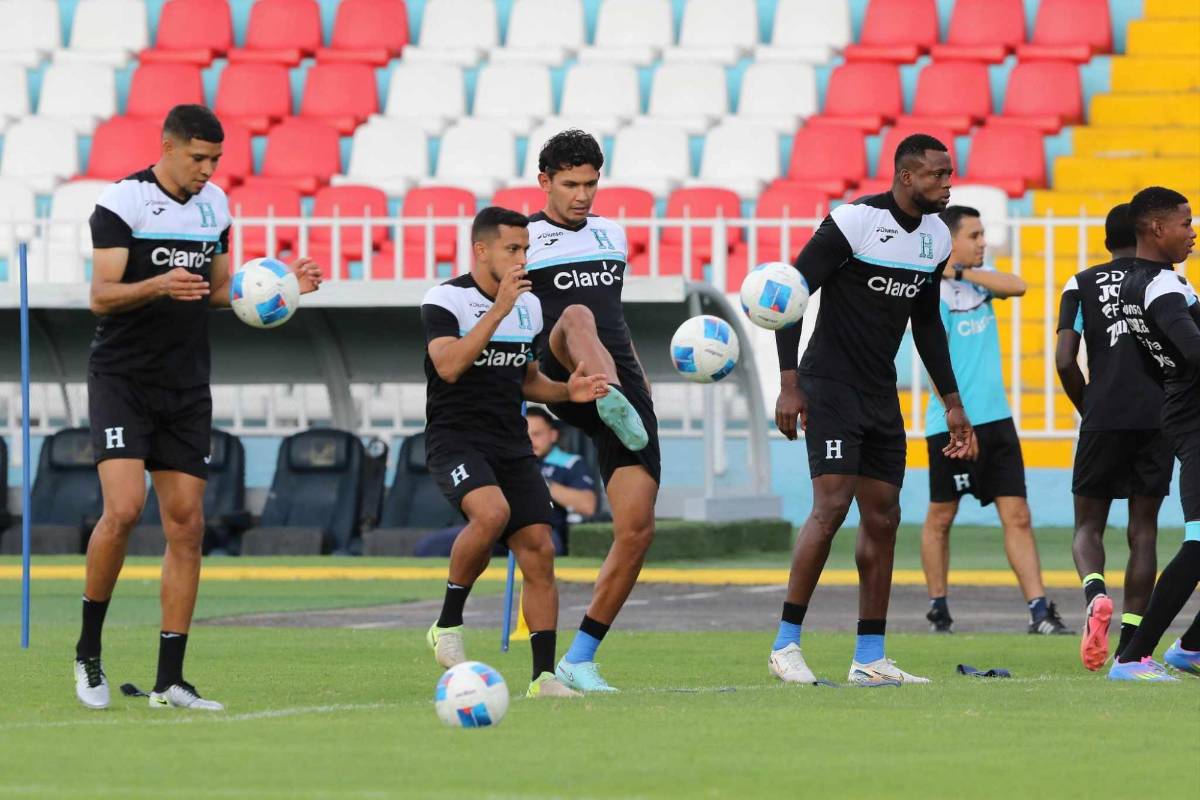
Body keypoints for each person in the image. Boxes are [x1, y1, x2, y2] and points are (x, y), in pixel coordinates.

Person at [74, 105, 323, 711]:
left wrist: (284, 285)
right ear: (168, 146)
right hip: (123, 379)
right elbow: (101, 296)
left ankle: (170, 681)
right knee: (126, 509)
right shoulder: (122, 203)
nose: (208, 170)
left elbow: (219, 292)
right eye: (198, 159)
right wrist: (158, 284)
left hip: (186, 386)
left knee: (188, 526)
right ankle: (87, 654)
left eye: (216, 160)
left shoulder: (216, 209)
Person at [770, 134, 973, 686]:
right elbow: (790, 294)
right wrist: (790, 383)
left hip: (880, 392)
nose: (947, 183)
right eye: (937, 175)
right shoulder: (854, 222)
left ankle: (870, 657)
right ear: (906, 177)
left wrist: (953, 402)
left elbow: (927, 322)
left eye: (948, 173)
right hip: (828, 385)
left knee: (884, 517)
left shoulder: (935, 236)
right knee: (831, 507)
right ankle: (786, 643)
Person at [422, 206, 609, 699]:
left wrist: (570, 392)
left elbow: (527, 381)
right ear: (482, 250)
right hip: (455, 439)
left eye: (526, 249)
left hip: (510, 443)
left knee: (540, 551)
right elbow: (449, 367)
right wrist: (497, 310)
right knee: (491, 513)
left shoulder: (528, 306)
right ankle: (447, 626)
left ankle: (543, 678)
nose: (522, 258)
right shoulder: (446, 299)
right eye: (512, 249)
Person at [525, 130, 661, 693]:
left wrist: (642, 389)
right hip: (561, 369)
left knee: (636, 530)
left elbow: (618, 320)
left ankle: (579, 659)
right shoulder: (523, 237)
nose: (582, 195)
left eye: (591, 183)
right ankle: (611, 397)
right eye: (570, 184)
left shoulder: (613, 235)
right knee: (576, 314)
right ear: (545, 182)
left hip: (621, 381)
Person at [921, 206, 1066, 636]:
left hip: (997, 420)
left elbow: (1018, 286)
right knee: (941, 517)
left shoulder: (978, 282)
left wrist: (961, 274)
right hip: (951, 422)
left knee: (1017, 514)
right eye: (975, 235)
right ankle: (938, 607)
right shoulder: (928, 293)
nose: (984, 242)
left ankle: (1039, 611)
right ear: (952, 242)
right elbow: (933, 365)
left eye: (984, 234)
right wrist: (956, 421)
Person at [1055, 202, 1171, 670]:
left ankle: (1095, 593)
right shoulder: (1165, 282)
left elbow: (1065, 360)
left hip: (1103, 415)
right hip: (1157, 416)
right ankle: (1129, 644)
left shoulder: (1080, 283)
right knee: (1143, 533)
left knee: (1088, 525)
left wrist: (1091, 408)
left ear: (1107, 240)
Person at [1109, 186, 1200, 681]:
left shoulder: (1142, 282)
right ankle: (1130, 658)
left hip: (1181, 412)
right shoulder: (1164, 287)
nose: (1192, 233)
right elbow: (1192, 350)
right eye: (1186, 224)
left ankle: (1190, 648)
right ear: (1157, 228)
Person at [525, 406, 599, 554]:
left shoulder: (570, 463)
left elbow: (587, 505)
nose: (529, 440)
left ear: (553, 435)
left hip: (549, 533)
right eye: (524, 435)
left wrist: (541, 483)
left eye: (536, 434)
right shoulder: (509, 463)